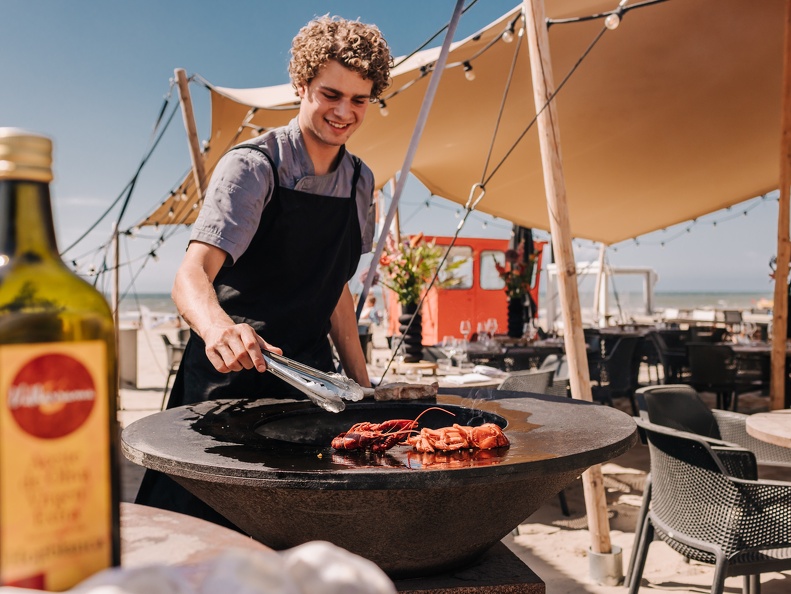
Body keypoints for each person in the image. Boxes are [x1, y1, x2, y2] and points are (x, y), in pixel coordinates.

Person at [135, 15, 392, 525]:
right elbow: (191, 277)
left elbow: (333, 289)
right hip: (229, 382)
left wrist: (362, 390)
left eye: (359, 100)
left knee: (300, 535)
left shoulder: (362, 181)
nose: (344, 112)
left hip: (310, 385)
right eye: (330, 94)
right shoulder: (253, 167)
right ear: (301, 85)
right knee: (201, 538)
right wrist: (219, 331)